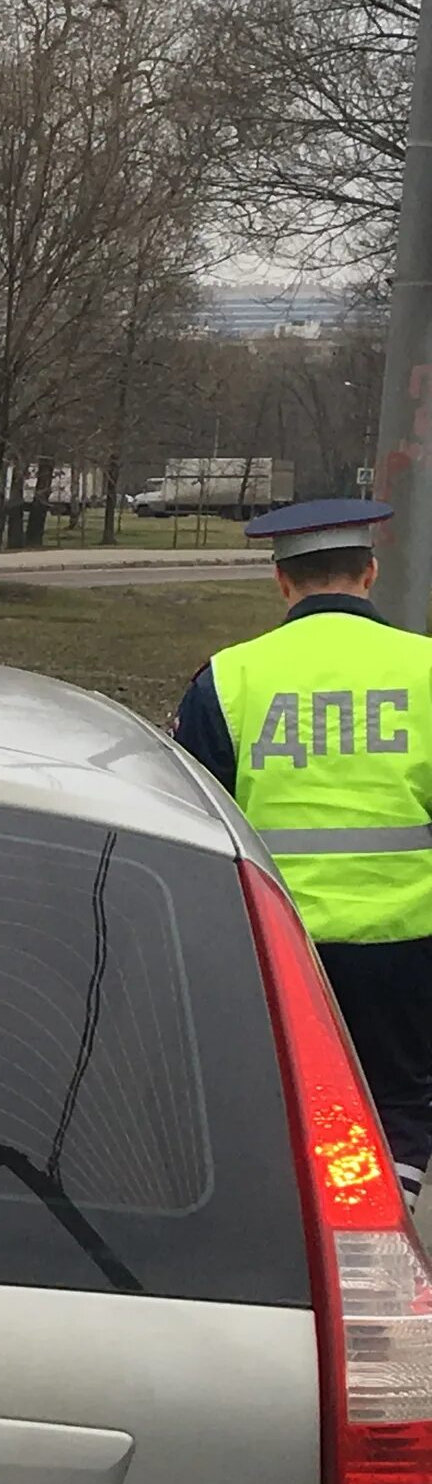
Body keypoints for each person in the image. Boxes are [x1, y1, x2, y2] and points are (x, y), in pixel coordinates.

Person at [172, 498, 432, 1229]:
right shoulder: (427, 671)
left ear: (282, 583)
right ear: (371, 573)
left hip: (273, 943)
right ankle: (380, 1218)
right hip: (404, 943)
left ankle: (289, 1235)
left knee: (283, 1095)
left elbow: (193, 815)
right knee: (396, 1102)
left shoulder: (230, 679)